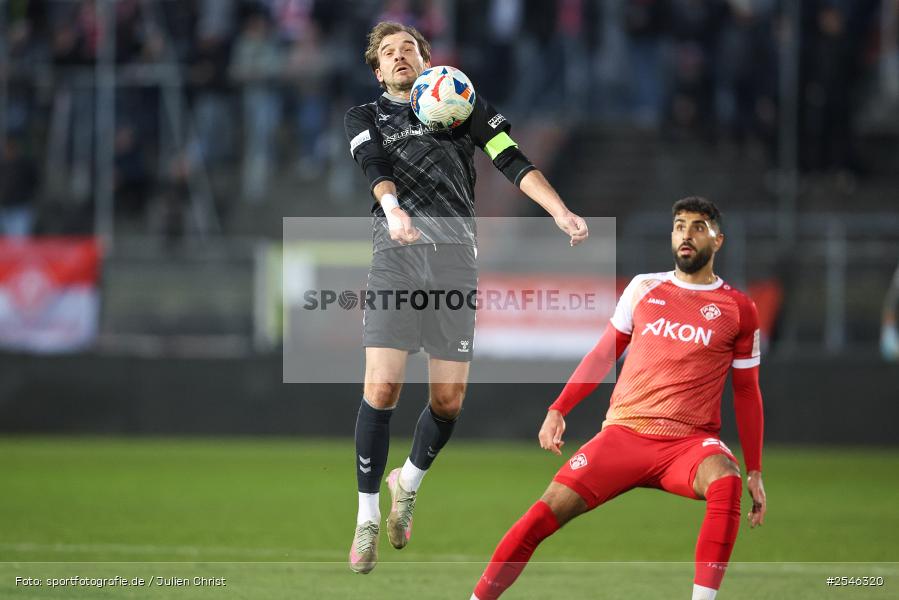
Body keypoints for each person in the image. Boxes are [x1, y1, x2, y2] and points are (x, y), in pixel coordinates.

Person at [343, 21, 588, 574]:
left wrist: (560, 211)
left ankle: (406, 483)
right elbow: (374, 168)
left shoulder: (461, 105)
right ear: (377, 69)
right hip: (396, 255)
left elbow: (511, 159)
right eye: (389, 52)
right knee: (382, 387)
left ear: (428, 61)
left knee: (448, 403)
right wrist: (394, 210)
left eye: (410, 47)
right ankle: (365, 519)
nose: (400, 56)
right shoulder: (366, 117)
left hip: (455, 263)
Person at [471, 197, 767, 600]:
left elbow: (747, 390)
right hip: (624, 435)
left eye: (699, 227)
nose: (687, 234)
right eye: (680, 226)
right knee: (541, 515)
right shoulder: (644, 287)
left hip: (688, 445)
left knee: (726, 479)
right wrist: (559, 408)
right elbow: (602, 355)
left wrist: (755, 470)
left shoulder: (739, 308)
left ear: (718, 240)